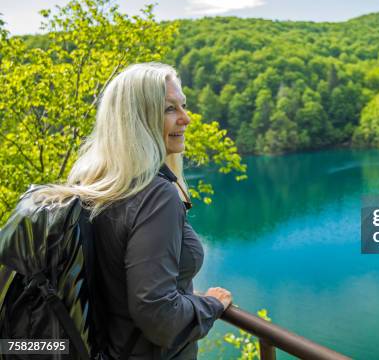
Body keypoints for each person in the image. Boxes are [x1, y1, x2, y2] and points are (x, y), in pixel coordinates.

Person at [32, 62, 232, 359]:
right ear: (138, 119)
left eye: (183, 106)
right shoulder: (155, 196)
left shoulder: (92, 183)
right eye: (169, 109)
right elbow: (158, 314)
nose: (186, 119)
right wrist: (212, 304)